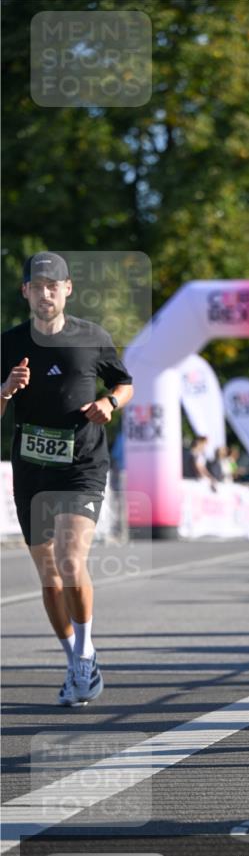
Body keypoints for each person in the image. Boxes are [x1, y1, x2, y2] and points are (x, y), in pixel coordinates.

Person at [1, 252, 133, 706]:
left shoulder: (92, 337)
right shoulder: (8, 344)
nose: (45, 293)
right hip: (32, 470)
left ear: (68, 289)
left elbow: (124, 383)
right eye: (37, 286)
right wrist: (4, 393)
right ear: (26, 292)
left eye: (53, 286)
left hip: (82, 466)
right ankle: (78, 660)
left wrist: (110, 404)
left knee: (71, 559)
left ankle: (84, 651)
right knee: (50, 577)